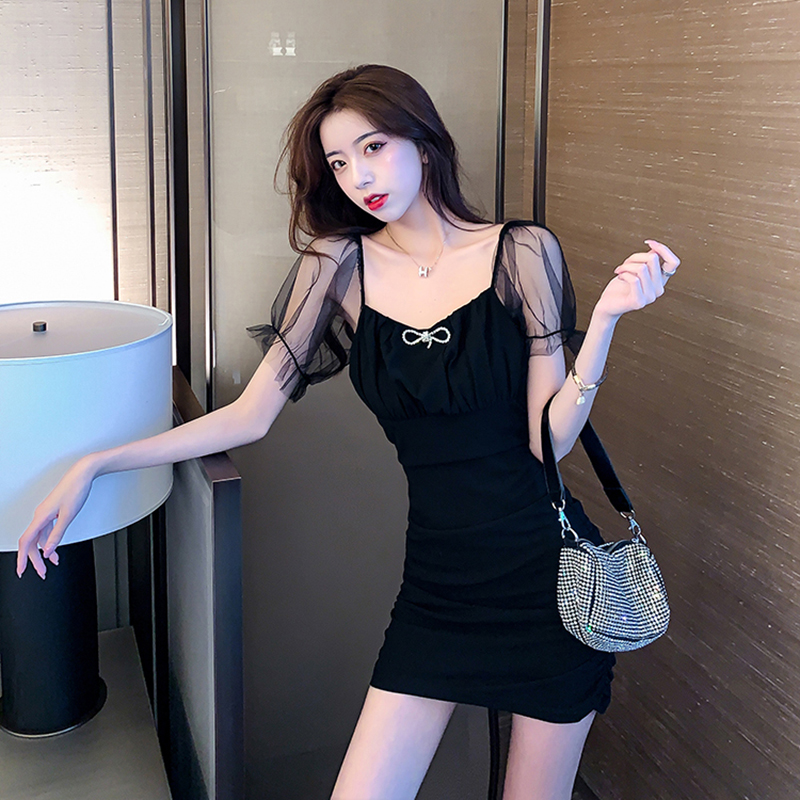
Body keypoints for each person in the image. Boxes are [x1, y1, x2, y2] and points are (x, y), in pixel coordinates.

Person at [17, 64, 680, 800]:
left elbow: (547, 441)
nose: (357, 176)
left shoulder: (521, 252)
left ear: (422, 142)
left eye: (373, 147)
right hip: (439, 587)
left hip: (548, 583)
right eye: (337, 161)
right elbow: (250, 416)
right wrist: (98, 462)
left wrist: (604, 325)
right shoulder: (339, 265)